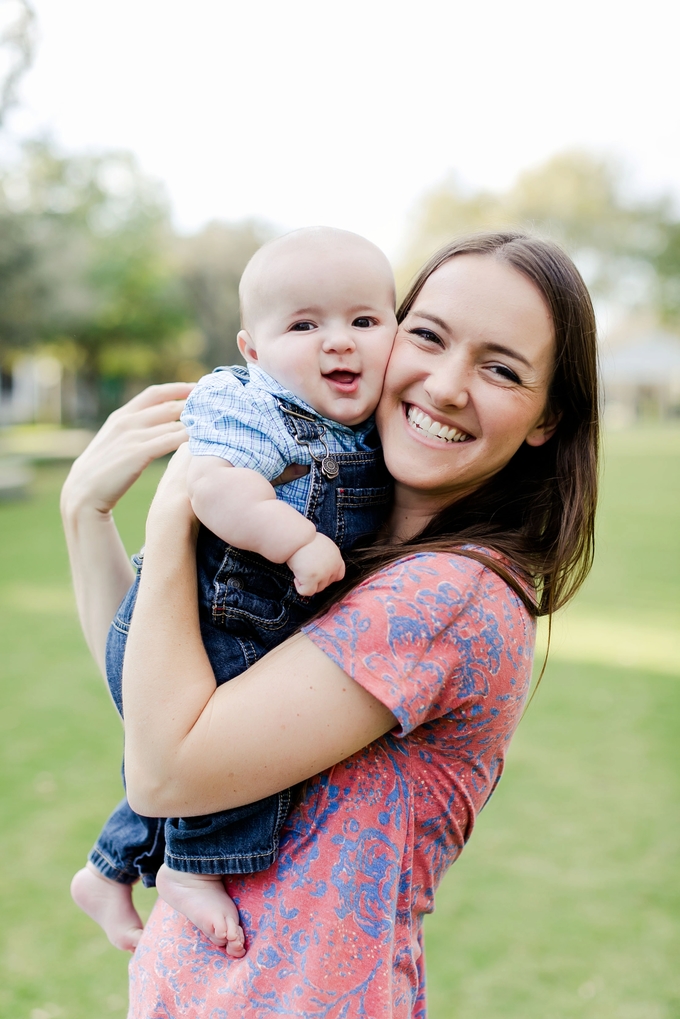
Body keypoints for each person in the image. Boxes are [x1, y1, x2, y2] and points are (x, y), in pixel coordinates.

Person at [61, 232, 599, 1018]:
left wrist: (186, 497)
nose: (446, 385)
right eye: (429, 335)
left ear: (547, 415)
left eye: (501, 367)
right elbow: (155, 691)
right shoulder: (333, 523)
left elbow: (163, 768)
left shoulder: (447, 595)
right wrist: (87, 515)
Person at [70, 227, 397, 957]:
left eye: (364, 321)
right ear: (253, 351)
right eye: (305, 324)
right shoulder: (250, 404)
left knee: (232, 734)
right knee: (222, 757)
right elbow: (214, 487)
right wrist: (296, 541)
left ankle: (107, 868)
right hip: (200, 617)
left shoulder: (373, 425)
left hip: (242, 623)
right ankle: (186, 867)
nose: (338, 342)